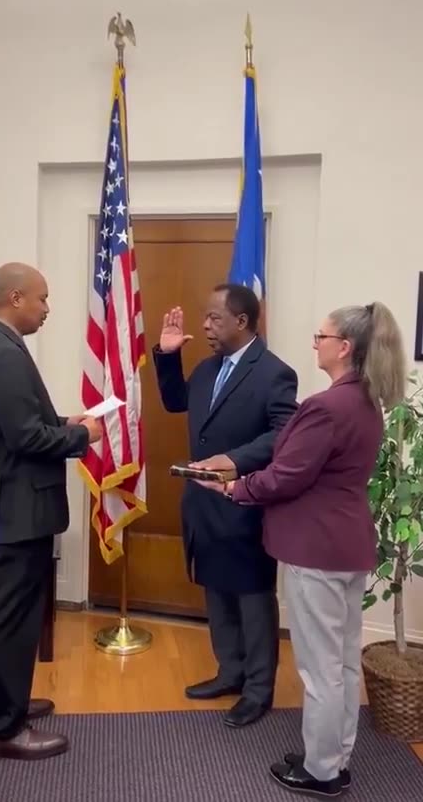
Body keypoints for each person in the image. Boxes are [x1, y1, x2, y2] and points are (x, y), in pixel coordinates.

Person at [194, 301, 406, 797]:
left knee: (320, 670)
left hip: (317, 550)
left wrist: (231, 488)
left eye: (321, 336)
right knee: (341, 664)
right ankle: (330, 756)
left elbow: (287, 475)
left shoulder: (328, 406)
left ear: (345, 347)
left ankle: (322, 772)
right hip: (346, 545)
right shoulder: (365, 400)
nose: (315, 343)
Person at [0, 262, 102, 760]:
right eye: (43, 299)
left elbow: (25, 420)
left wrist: (68, 420)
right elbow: (26, 438)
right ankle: (3, 729)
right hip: (17, 512)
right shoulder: (1, 353)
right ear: (16, 297)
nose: (48, 309)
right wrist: (82, 435)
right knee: (12, 618)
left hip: (13, 508)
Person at [153, 283, 298, 728]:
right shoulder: (207, 367)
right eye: (205, 317)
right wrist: (167, 354)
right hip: (202, 504)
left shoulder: (274, 372)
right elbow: (175, 401)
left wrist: (234, 461)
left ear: (242, 321)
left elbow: (284, 434)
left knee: (252, 599)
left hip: (244, 503)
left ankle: (258, 689)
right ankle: (229, 672)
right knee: (216, 591)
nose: (205, 326)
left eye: (215, 318)